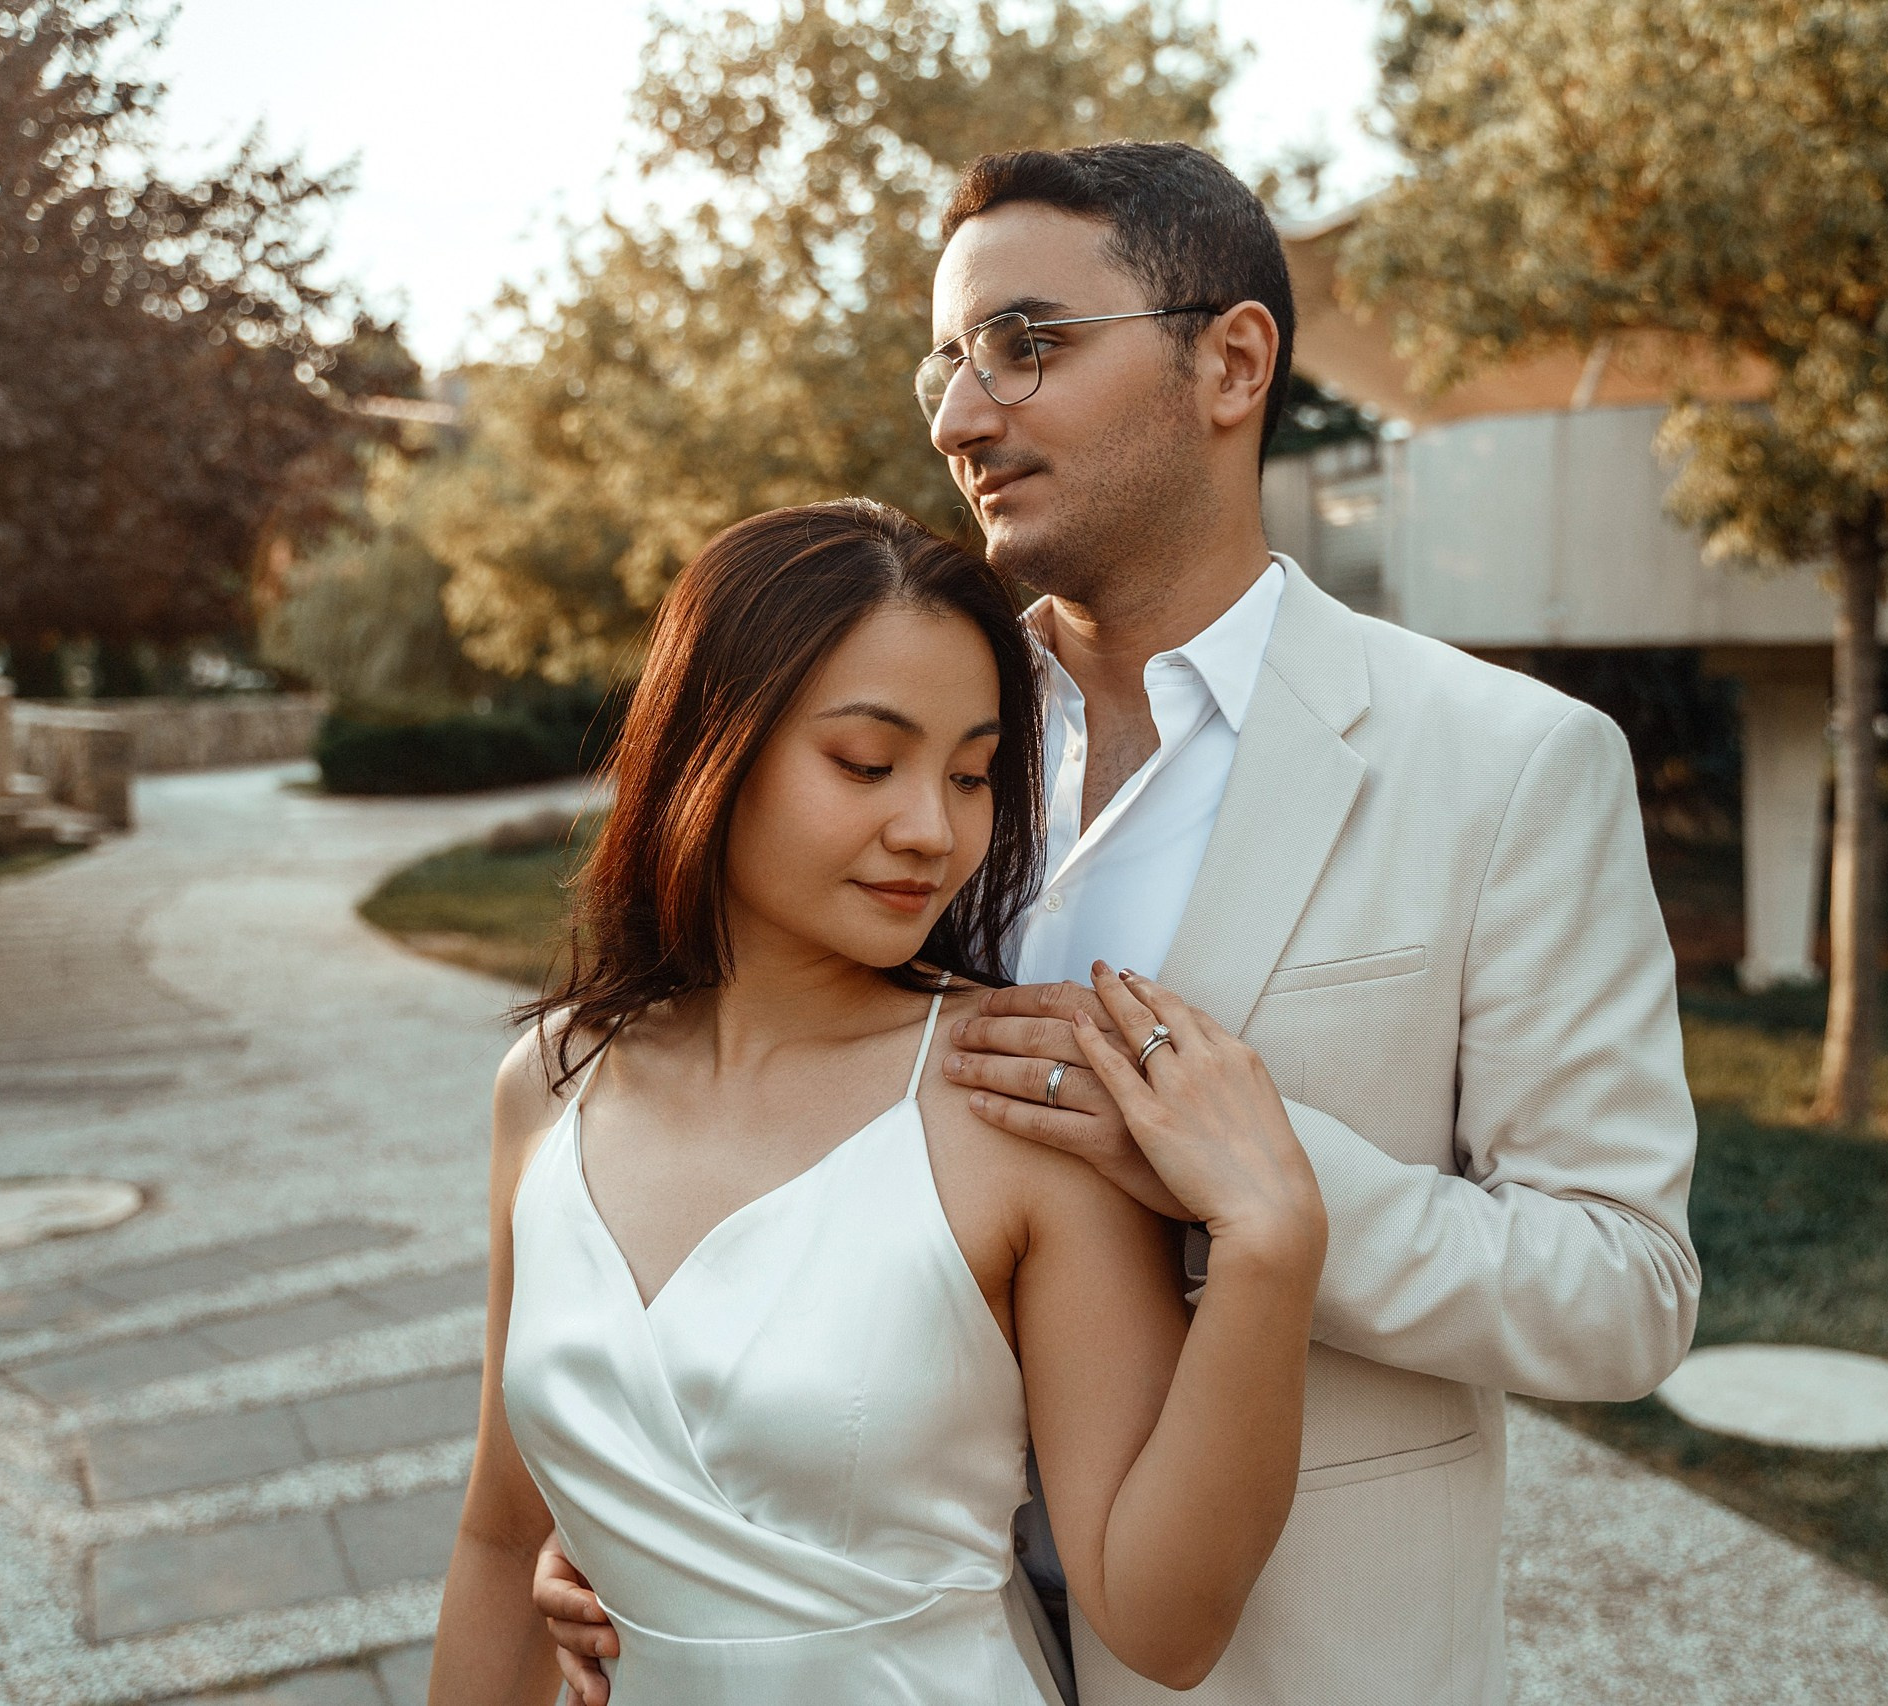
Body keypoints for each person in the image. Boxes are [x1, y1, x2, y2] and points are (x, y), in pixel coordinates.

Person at [543, 142, 1703, 1705]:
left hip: (1297, 1660)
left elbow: (1628, 1289)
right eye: (946, 365)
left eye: (1024, 346)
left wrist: (1267, 1184)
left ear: (1230, 362)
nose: (961, 419)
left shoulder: (1509, 766)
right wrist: (667, 1501)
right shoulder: (909, 739)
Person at [426, 500, 1329, 1705]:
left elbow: (1164, 1624)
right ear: (711, 744)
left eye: (970, 773)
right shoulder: (551, 1080)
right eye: (865, 762)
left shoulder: (1005, 1101)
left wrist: (1271, 1245)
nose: (933, 830)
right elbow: (500, 1534)